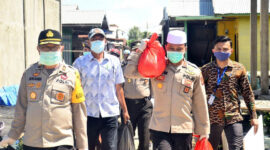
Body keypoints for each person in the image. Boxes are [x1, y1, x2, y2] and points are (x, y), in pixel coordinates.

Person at [0, 29, 88, 150]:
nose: (50, 50)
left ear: (61, 48)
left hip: (61, 142)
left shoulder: (73, 75)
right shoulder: (28, 74)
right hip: (32, 143)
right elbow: (21, 108)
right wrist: (13, 135)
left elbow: (79, 114)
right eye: (46, 47)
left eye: (54, 47)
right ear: (38, 49)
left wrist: (83, 146)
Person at [124, 30, 210, 150]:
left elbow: (200, 103)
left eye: (179, 49)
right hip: (160, 128)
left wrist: (204, 130)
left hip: (183, 129)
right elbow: (129, 73)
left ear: (185, 48)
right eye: (171, 48)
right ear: (166, 47)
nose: (175, 51)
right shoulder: (156, 66)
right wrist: (139, 50)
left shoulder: (194, 72)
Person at [73, 28, 130, 150]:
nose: (97, 41)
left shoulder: (114, 62)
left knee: (110, 147)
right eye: (94, 39)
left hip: (110, 113)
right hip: (88, 114)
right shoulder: (80, 63)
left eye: (100, 38)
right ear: (88, 42)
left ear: (105, 41)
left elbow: (119, 88)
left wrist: (125, 110)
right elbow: (74, 89)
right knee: (87, 147)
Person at [201, 36, 258, 150]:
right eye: (219, 49)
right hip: (212, 118)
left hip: (233, 117)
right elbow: (198, 94)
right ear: (213, 51)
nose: (222, 51)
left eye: (225, 49)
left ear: (231, 50)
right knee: (210, 148)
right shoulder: (205, 70)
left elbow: (247, 93)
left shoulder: (239, 68)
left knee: (237, 147)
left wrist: (253, 116)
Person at [122, 41, 153, 150]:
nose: (138, 53)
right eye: (136, 51)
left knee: (145, 138)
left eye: (140, 51)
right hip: (128, 105)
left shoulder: (147, 66)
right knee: (127, 137)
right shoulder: (124, 66)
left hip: (144, 105)